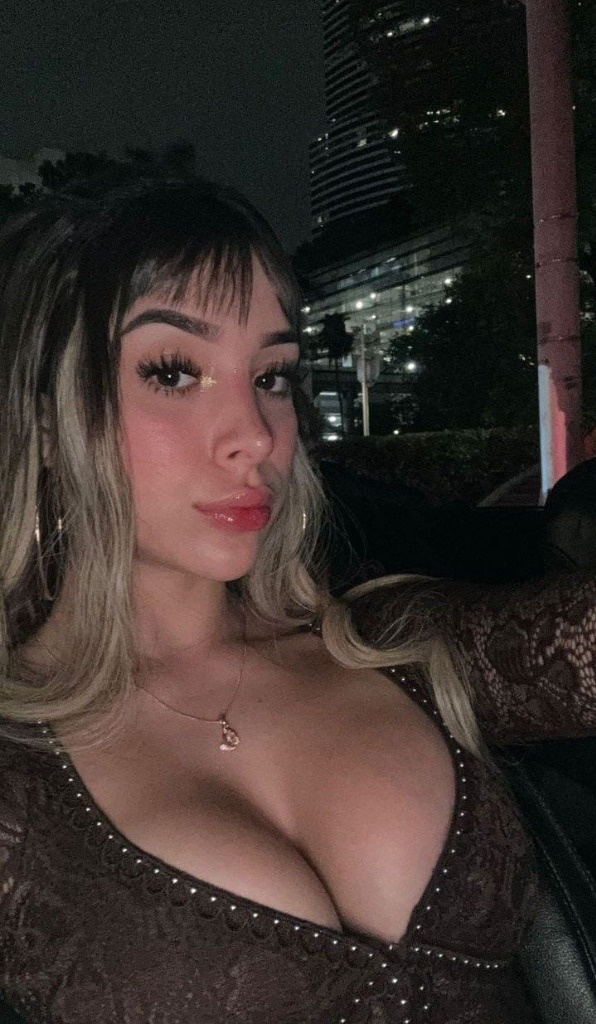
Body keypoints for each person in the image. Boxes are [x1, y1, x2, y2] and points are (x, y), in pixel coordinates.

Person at [0, 178, 595, 1024]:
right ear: (44, 421)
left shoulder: (388, 643)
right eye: (174, 372)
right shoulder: (18, 769)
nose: (255, 433)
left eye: (272, 375)